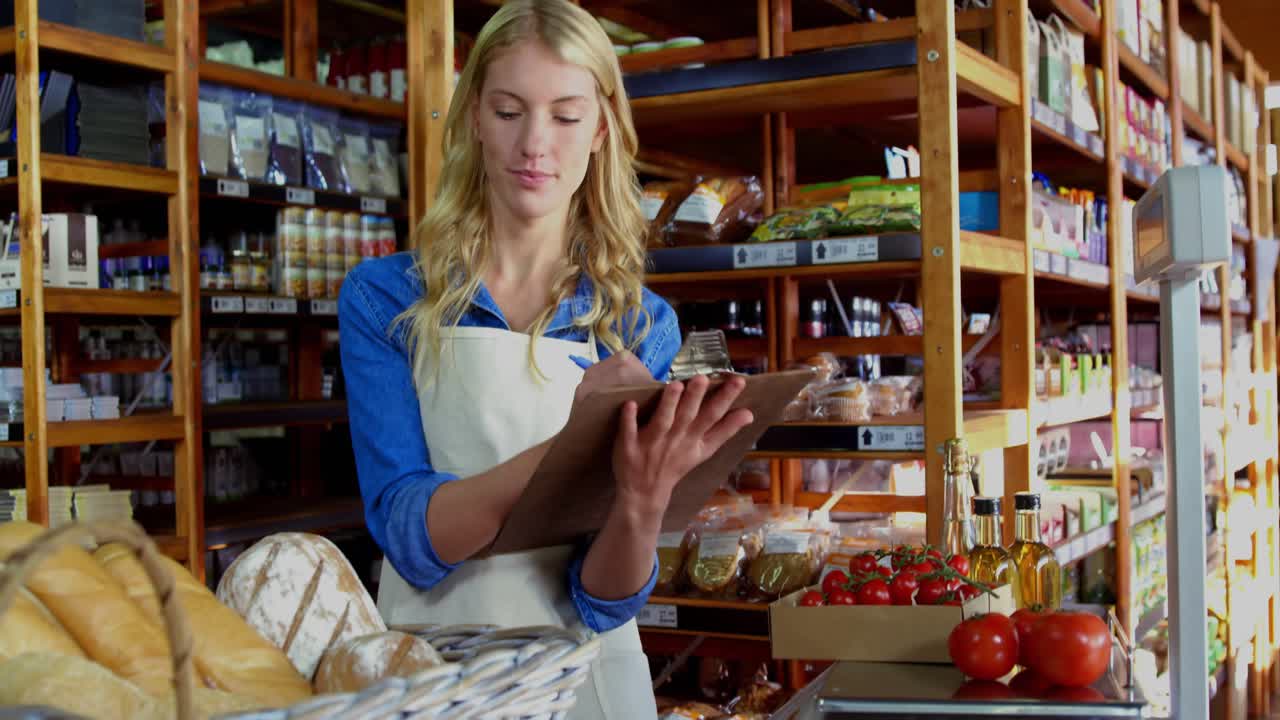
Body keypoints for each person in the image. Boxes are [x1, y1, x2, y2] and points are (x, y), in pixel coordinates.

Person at [337, 0, 755, 716]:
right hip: (438, 678)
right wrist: (578, 441)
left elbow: (603, 598)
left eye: (565, 117)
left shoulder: (639, 324)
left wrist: (643, 500)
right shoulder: (385, 300)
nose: (536, 143)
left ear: (600, 128)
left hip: (588, 680)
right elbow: (413, 536)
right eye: (508, 111)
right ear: (472, 117)